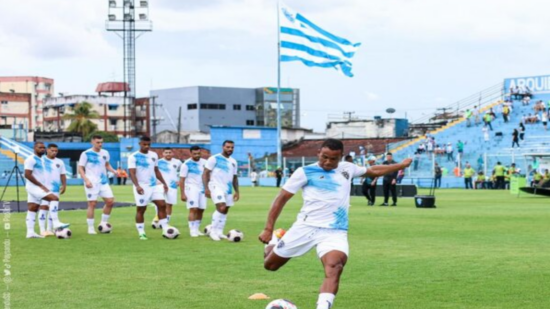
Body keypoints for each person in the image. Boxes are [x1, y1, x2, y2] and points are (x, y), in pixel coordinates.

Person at [258, 139, 412, 309]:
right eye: (325, 157)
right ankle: (275, 239)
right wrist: (268, 228)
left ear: (340, 157)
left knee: (335, 266)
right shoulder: (304, 172)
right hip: (305, 227)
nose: (328, 162)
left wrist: (401, 165)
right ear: (318, 153)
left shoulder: (347, 168)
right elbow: (281, 199)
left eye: (334, 159)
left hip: (335, 231)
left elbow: (373, 170)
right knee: (270, 265)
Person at [127, 136, 173, 240]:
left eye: (148, 144)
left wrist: (164, 183)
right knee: (141, 209)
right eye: (144, 144)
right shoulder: (133, 157)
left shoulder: (154, 155)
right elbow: (132, 173)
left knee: (162, 205)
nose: (147, 146)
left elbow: (156, 170)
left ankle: (165, 228)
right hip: (142, 187)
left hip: (154, 186)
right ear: (140, 144)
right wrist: (137, 186)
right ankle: (141, 232)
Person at [24, 142, 70, 238]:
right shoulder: (31, 159)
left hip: (37, 187)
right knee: (54, 198)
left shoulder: (41, 160)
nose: (42, 149)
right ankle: (56, 222)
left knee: (33, 208)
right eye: (40, 147)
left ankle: (30, 232)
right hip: (34, 187)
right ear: (34, 148)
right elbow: (27, 174)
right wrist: (41, 185)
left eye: (43, 148)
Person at [78, 135, 118, 235]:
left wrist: (114, 171)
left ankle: (103, 223)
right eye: (98, 142)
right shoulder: (86, 153)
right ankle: (90, 228)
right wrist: (86, 180)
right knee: (92, 204)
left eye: (101, 142)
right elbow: (80, 168)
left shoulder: (105, 153)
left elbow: (106, 164)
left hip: (103, 181)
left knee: (110, 201)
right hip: (91, 182)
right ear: (92, 142)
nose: (100, 144)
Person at [203, 140, 240, 241]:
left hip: (227, 188)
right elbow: (205, 173)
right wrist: (206, 188)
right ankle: (213, 231)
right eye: (228, 147)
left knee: (226, 209)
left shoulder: (233, 161)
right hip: (215, 186)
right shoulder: (214, 158)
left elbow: (235, 177)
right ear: (223, 147)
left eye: (232, 147)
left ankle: (219, 232)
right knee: (221, 207)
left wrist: (237, 191)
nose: (230, 149)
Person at [38, 144, 69, 237]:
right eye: (52, 150)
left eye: (56, 151)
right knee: (44, 208)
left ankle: (50, 229)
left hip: (55, 189)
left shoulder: (60, 162)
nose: (54, 152)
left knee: (53, 209)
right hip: (43, 189)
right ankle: (42, 229)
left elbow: (62, 174)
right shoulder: (41, 160)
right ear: (47, 150)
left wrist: (64, 185)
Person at [180, 145, 207, 237]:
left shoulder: (205, 162)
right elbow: (182, 180)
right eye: (194, 154)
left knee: (201, 209)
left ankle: (196, 229)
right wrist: (182, 193)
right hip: (191, 188)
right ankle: (192, 230)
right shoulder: (186, 164)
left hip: (202, 188)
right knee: (193, 208)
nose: (197, 155)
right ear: (190, 153)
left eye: (198, 153)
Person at [156, 147, 182, 224]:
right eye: (166, 152)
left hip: (172, 186)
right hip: (160, 186)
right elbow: (152, 172)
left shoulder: (177, 162)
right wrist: (156, 182)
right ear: (163, 153)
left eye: (169, 152)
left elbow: (184, 172)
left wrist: (180, 181)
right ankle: (158, 219)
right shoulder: (158, 162)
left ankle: (167, 220)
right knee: (160, 203)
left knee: (169, 204)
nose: (168, 154)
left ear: (172, 153)